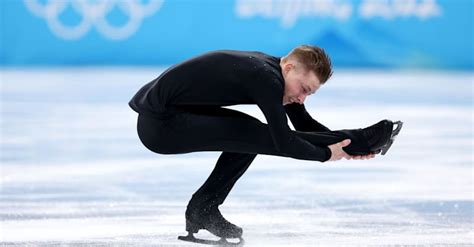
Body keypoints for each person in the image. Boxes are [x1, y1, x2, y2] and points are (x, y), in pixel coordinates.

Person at [129, 45, 399, 242]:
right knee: (254, 135)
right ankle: (203, 208)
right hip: (160, 125)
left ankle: (203, 209)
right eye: (304, 89)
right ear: (290, 67)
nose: (302, 98)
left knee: (250, 136)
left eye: (309, 94)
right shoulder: (265, 78)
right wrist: (328, 154)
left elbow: (302, 124)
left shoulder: (275, 72)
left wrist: (345, 145)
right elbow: (282, 140)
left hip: (173, 114)